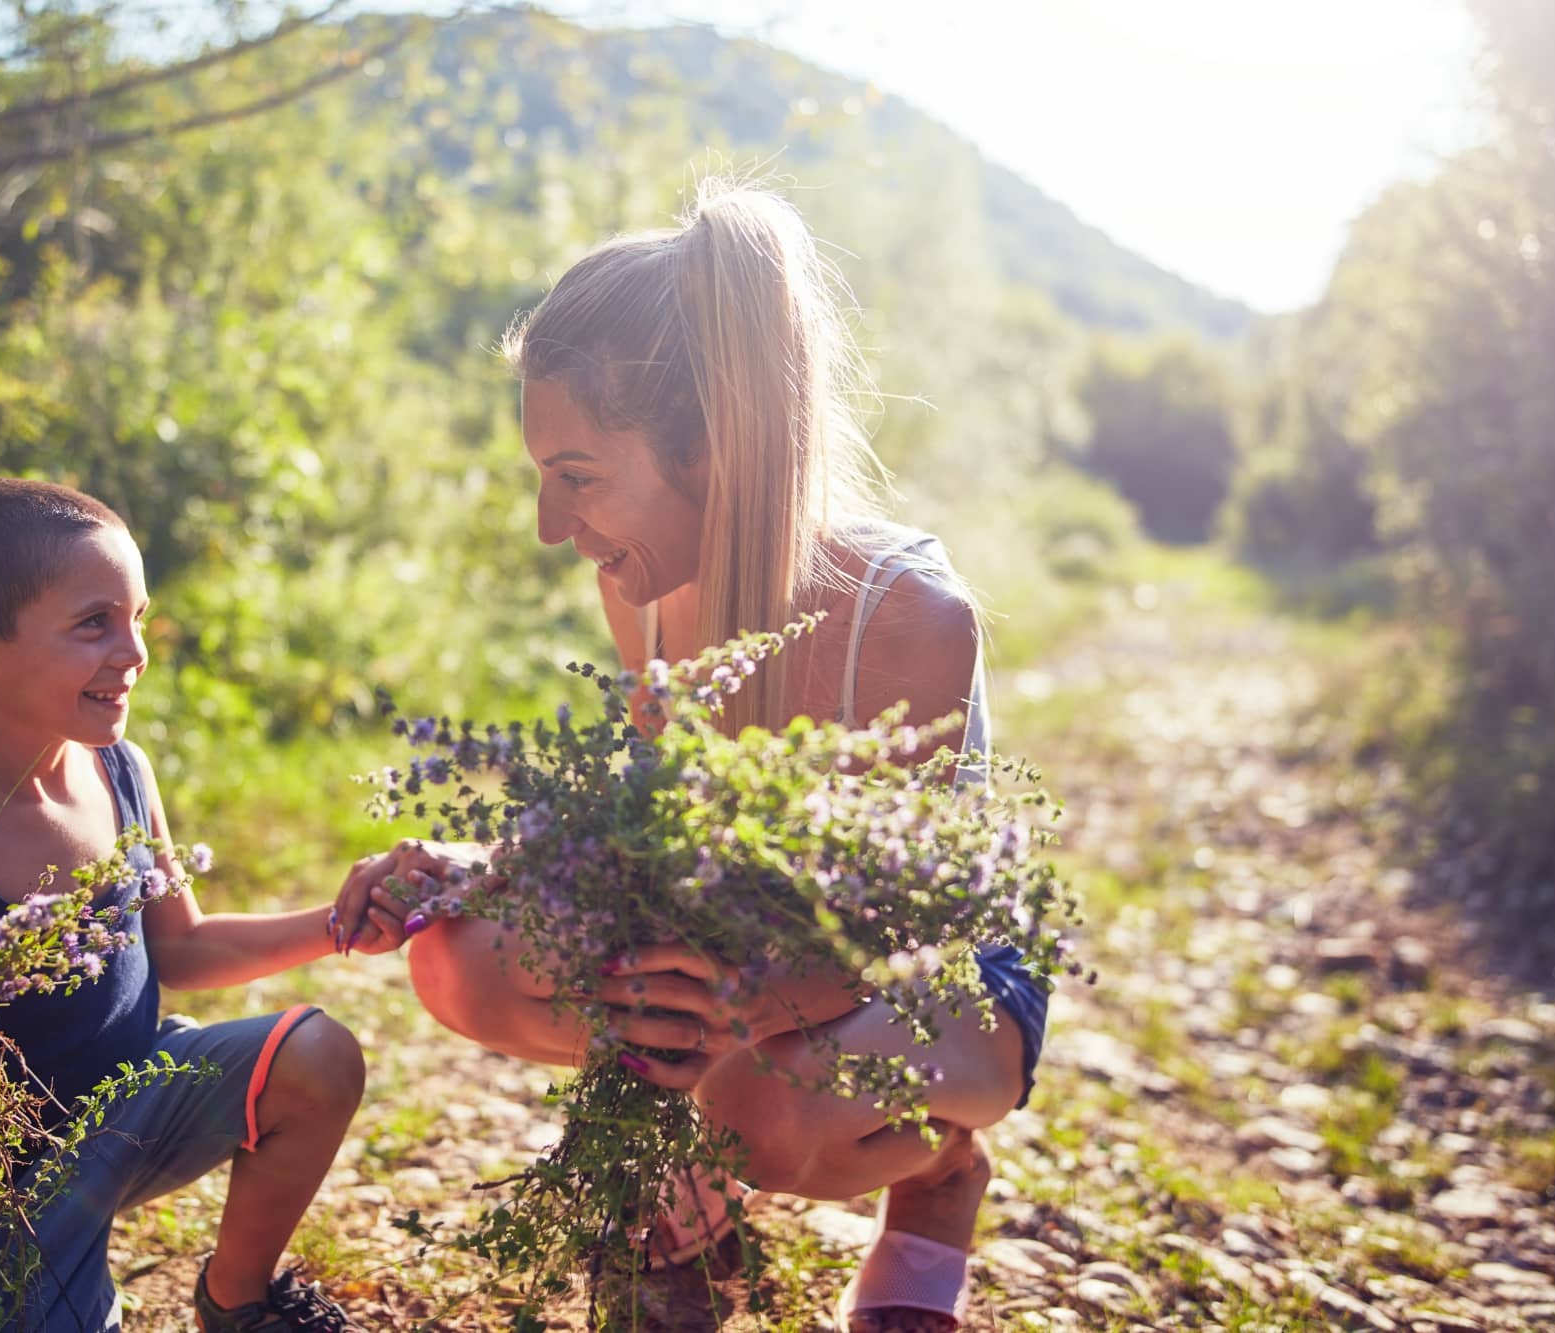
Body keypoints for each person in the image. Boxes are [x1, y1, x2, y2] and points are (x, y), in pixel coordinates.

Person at [337, 182, 1050, 1332]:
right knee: (458, 957)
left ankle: (932, 1179)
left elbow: (894, 927)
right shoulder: (649, 595)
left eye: (576, 476)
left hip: (934, 970)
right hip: (739, 935)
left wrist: (716, 1014)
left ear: (711, 445)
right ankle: (691, 1234)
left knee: (744, 1103)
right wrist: (485, 862)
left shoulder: (907, 615)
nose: (549, 526)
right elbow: (650, 817)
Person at [0, 478, 384, 1333]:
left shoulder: (121, 771)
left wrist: (336, 926)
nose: (133, 651)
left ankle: (237, 1299)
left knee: (317, 1055)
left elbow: (184, 946)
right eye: (95, 622)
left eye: (136, 617)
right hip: (11, 1182)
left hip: (141, 1093)